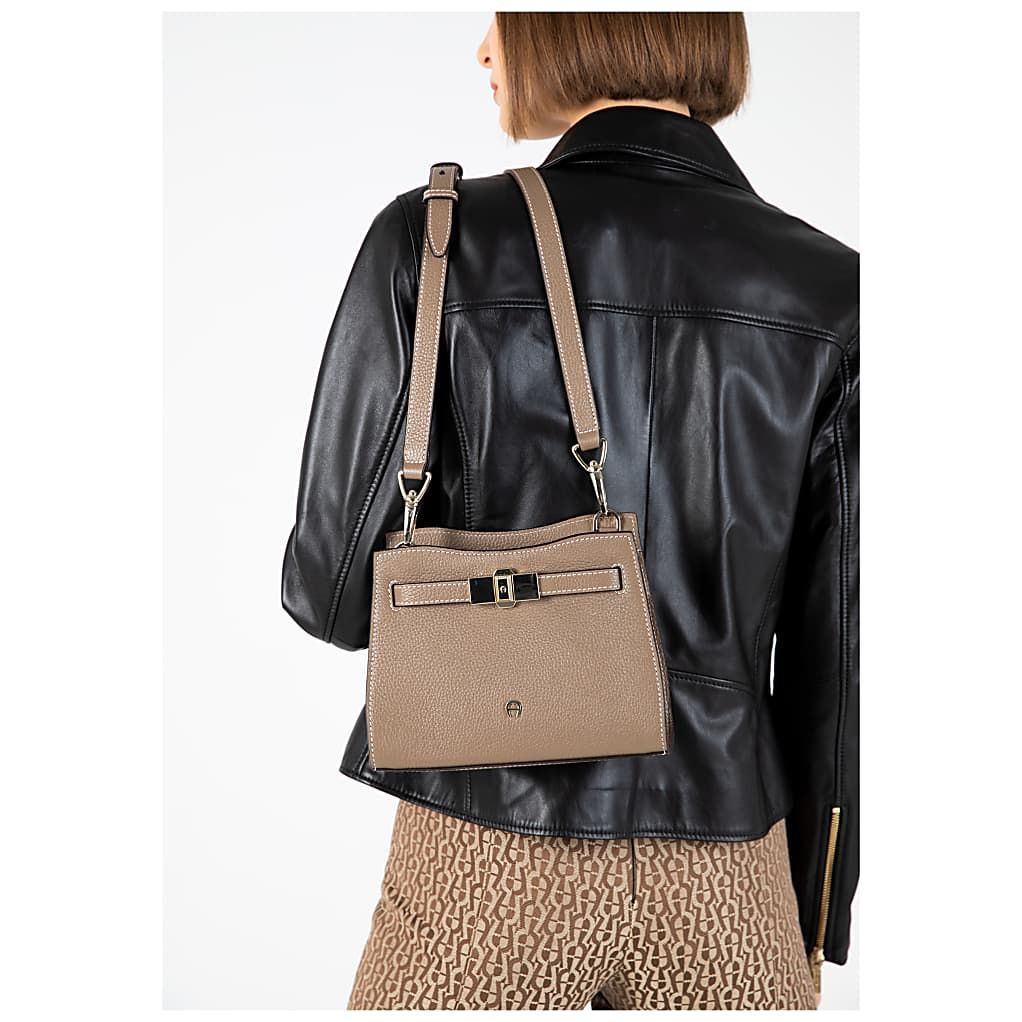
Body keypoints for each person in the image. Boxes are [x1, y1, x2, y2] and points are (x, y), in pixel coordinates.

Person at [280, 11, 858, 1011]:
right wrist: (813, 903)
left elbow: (328, 598)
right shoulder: (835, 288)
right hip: (731, 856)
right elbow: (840, 654)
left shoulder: (435, 238)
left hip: (486, 842)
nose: (483, 48)